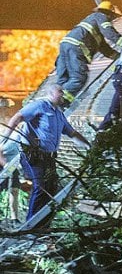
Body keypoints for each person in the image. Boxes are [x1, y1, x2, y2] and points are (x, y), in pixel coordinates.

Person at [0, 85, 90, 222]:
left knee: (52, 188)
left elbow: (72, 133)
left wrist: (89, 146)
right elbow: (18, 117)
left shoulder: (58, 114)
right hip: (33, 155)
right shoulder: (39, 105)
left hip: (49, 157)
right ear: (51, 93)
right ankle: (32, 224)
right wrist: (6, 136)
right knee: (41, 186)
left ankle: (43, 224)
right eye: (60, 91)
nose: (63, 94)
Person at [55, 1, 122, 101]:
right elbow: (109, 32)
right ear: (109, 13)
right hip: (76, 48)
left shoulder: (92, 24)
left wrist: (118, 56)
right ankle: (60, 100)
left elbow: (104, 48)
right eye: (113, 16)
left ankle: (52, 101)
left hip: (66, 46)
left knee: (63, 79)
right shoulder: (100, 16)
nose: (113, 19)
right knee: (78, 78)